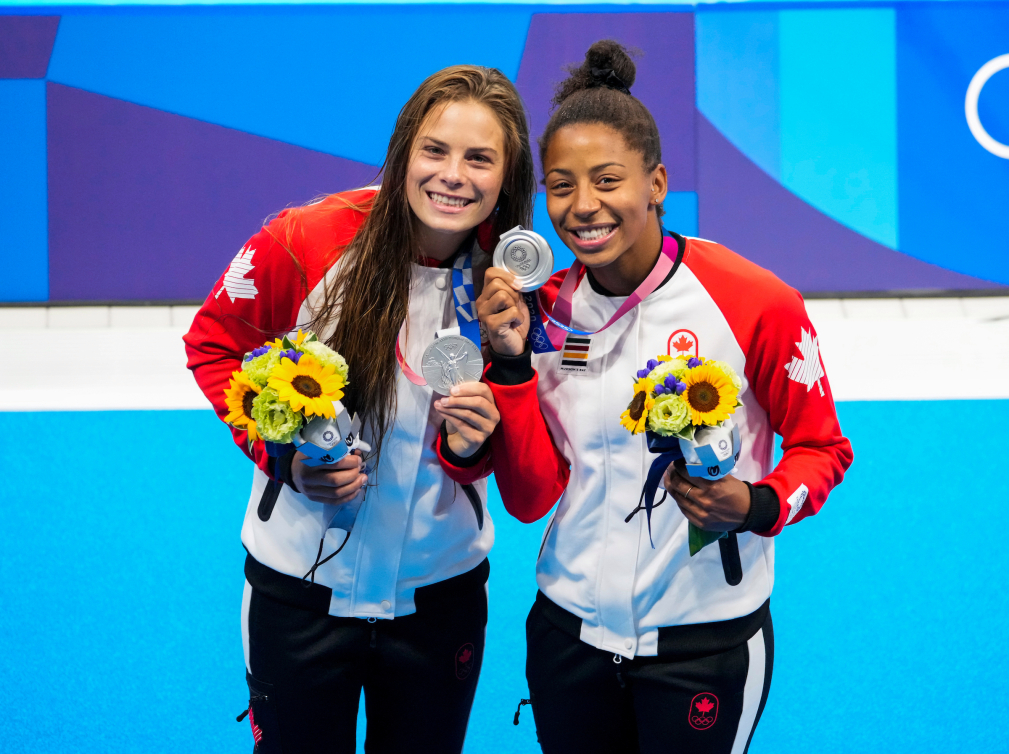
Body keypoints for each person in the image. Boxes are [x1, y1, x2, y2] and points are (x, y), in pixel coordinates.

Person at [476, 41, 853, 753]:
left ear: (656, 183)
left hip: (704, 640)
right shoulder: (546, 311)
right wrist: (512, 367)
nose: (581, 207)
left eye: (606, 180)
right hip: (568, 633)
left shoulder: (752, 301)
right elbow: (529, 501)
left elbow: (822, 446)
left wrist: (756, 504)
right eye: (560, 186)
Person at [184, 65, 535, 753]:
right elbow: (213, 345)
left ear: (506, 174)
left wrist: (477, 442)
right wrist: (279, 455)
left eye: (478, 158)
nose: (452, 176)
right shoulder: (307, 240)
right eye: (434, 150)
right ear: (404, 149)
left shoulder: (512, 287)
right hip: (299, 593)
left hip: (439, 597)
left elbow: (520, 454)